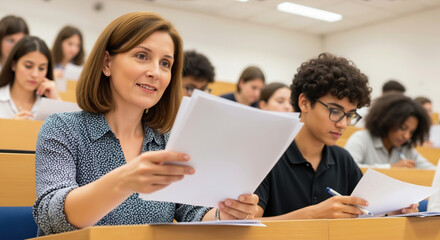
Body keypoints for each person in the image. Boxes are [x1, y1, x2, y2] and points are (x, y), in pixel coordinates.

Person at [33, 12, 258, 236]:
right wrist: (123, 181)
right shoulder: (63, 128)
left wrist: (225, 213)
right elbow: (53, 219)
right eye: (142, 56)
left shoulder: (169, 140)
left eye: (165, 63)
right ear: (106, 62)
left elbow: (192, 212)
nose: (155, 73)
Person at [254, 53, 418, 220]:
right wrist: (312, 215)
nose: (343, 124)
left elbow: (365, 213)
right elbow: (246, 226)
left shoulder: (343, 160)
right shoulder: (267, 155)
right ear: (304, 103)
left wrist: (390, 213)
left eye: (350, 115)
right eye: (335, 111)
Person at [345, 94, 434, 169]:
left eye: (411, 132)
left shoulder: (405, 148)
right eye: (403, 128)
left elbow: (431, 170)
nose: (406, 136)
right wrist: (390, 168)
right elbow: (348, 169)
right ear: (388, 121)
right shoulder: (361, 138)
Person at [0, 35, 60, 119]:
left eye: (41, 68)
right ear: (13, 65)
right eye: (28, 66)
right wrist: (11, 127)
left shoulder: (51, 103)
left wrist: (56, 101)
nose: (35, 74)